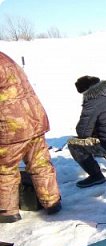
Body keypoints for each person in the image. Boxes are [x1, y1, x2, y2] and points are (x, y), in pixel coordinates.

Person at [0, 51, 61, 223]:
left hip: (11, 126)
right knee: (40, 163)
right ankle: (52, 202)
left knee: (5, 168)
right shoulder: (5, 58)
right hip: (34, 118)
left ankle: (7, 211)